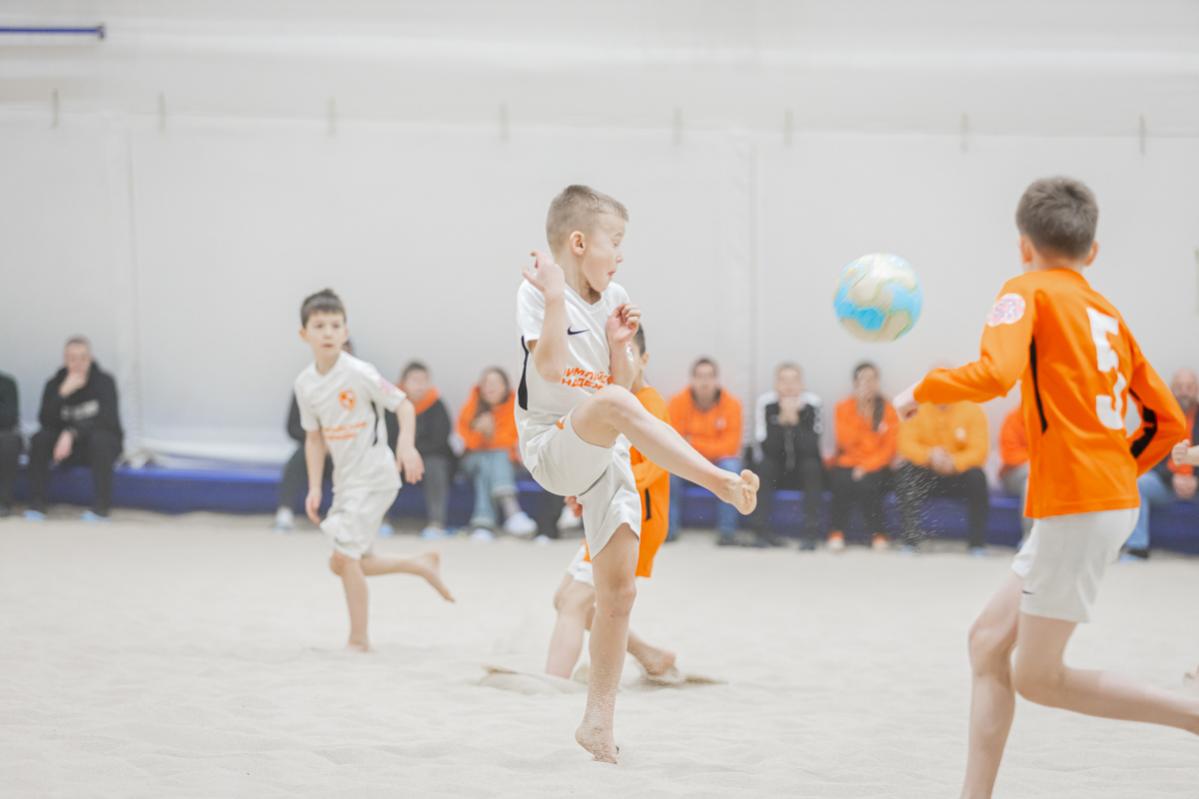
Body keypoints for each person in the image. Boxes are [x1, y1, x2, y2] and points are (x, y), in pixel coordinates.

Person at [893, 176, 1195, 799]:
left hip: (1079, 503)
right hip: (1094, 498)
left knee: (1039, 678)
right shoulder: (1108, 312)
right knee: (986, 643)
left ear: (1023, 246)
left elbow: (994, 374)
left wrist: (921, 389)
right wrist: (1116, 472)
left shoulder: (1023, 290)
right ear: (1093, 251)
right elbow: (1167, 422)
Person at [516, 184, 758, 763]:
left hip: (603, 448)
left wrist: (619, 346)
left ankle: (597, 724)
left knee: (619, 593)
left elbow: (618, 387)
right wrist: (555, 296)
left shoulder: (616, 296)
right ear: (579, 243)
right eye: (615, 241)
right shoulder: (538, 289)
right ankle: (719, 482)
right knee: (615, 406)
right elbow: (549, 366)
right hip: (551, 443)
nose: (621, 255)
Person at [295, 289, 454, 652]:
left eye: (335, 325)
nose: (328, 332)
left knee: (344, 556)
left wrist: (406, 446)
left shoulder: (359, 372)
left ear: (345, 331)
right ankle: (420, 564)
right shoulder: (305, 384)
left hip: (375, 475)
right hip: (345, 482)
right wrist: (315, 487)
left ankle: (358, 639)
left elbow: (403, 406)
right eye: (319, 326)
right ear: (304, 334)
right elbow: (314, 439)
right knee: (347, 561)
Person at [545, 325, 676, 680]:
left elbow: (653, 466)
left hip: (635, 519)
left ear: (644, 359)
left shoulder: (650, 404)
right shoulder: (608, 401)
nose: (618, 359)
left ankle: (553, 683)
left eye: (628, 352)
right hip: (612, 512)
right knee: (565, 598)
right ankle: (651, 656)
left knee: (575, 601)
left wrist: (597, 483)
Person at [25, 337, 123, 521]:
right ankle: (37, 505)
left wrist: (72, 433)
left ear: (90, 359)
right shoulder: (54, 384)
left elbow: (108, 421)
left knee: (101, 440)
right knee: (39, 439)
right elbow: (45, 420)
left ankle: (101, 509)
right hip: (63, 449)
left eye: (83, 358)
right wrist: (61, 394)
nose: (78, 364)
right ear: (65, 360)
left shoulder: (104, 382)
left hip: (94, 445)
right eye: (72, 359)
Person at [274, 341, 352, 532]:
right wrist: (318, 439)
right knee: (298, 459)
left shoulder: (360, 384)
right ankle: (285, 512)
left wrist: (338, 440)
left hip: (347, 448)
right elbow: (293, 427)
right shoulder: (306, 384)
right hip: (314, 446)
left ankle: (350, 516)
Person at [895, 396, 990, 554]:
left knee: (977, 477)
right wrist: (929, 455)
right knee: (906, 472)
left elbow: (980, 450)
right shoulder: (915, 410)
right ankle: (910, 541)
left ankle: (977, 544)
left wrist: (954, 462)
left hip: (957, 475)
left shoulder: (972, 410)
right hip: (927, 475)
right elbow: (905, 445)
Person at [667, 358, 744, 545]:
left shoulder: (732, 405)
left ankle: (727, 533)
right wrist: (708, 446)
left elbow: (730, 447)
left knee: (731, 467)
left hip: (717, 463)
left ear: (717, 380)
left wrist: (692, 442)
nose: (704, 382)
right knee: (666, 471)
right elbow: (672, 443)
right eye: (700, 376)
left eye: (709, 376)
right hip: (686, 462)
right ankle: (668, 530)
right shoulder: (677, 403)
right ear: (692, 379)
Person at [1124, 368, 1198, 559]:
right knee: (1138, 483)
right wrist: (1172, 478)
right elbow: (1152, 454)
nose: (1184, 392)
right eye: (1179, 387)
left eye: (1189, 387)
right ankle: (1137, 548)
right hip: (1166, 484)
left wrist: (1196, 481)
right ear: (1172, 390)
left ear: (1196, 390)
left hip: (1196, 484)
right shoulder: (1161, 417)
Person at [457, 367, 537, 540]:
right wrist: (481, 434)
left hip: (507, 462)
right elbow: (465, 443)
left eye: (495, 383)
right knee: (491, 458)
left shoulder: (516, 406)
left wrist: (490, 434)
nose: (490, 387)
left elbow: (513, 441)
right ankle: (512, 512)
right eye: (486, 383)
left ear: (505, 386)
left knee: (489, 465)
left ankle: (483, 525)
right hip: (473, 460)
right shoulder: (471, 406)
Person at [750, 362, 824, 548]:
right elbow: (767, 447)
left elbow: (812, 448)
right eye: (784, 381)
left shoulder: (813, 404)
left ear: (802, 384)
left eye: (794, 381)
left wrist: (796, 422)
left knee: (812, 467)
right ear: (776, 384)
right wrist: (782, 421)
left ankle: (811, 534)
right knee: (764, 467)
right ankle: (761, 532)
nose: (789, 386)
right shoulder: (766, 404)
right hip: (778, 467)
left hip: (801, 468)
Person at [828, 362, 899, 551]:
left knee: (869, 484)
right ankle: (836, 532)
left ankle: (878, 534)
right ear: (855, 383)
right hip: (848, 461)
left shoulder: (888, 409)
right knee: (841, 481)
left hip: (877, 465)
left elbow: (889, 449)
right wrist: (860, 412)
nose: (868, 384)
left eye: (872, 379)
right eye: (863, 379)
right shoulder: (843, 407)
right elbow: (845, 442)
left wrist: (866, 467)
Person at [394, 361, 455, 540]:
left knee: (436, 466)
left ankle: (437, 522)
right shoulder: (393, 404)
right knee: (383, 465)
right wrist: (404, 454)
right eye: (414, 380)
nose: (419, 385)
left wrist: (414, 454)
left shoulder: (436, 404)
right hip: (398, 457)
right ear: (404, 383)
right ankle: (381, 520)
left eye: (423, 380)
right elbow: (387, 436)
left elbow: (440, 439)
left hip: (429, 457)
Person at [998, 404, 1033, 538]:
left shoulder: (1053, 420)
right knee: (1032, 481)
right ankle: (1029, 537)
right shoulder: (1013, 419)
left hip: (1046, 475)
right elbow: (1009, 455)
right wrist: (1037, 460)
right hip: (1014, 474)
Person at [0, 370, 20, 517]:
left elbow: (10, 418)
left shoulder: (7, 383)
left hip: (3, 433)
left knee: (9, 440)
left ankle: (3, 502)